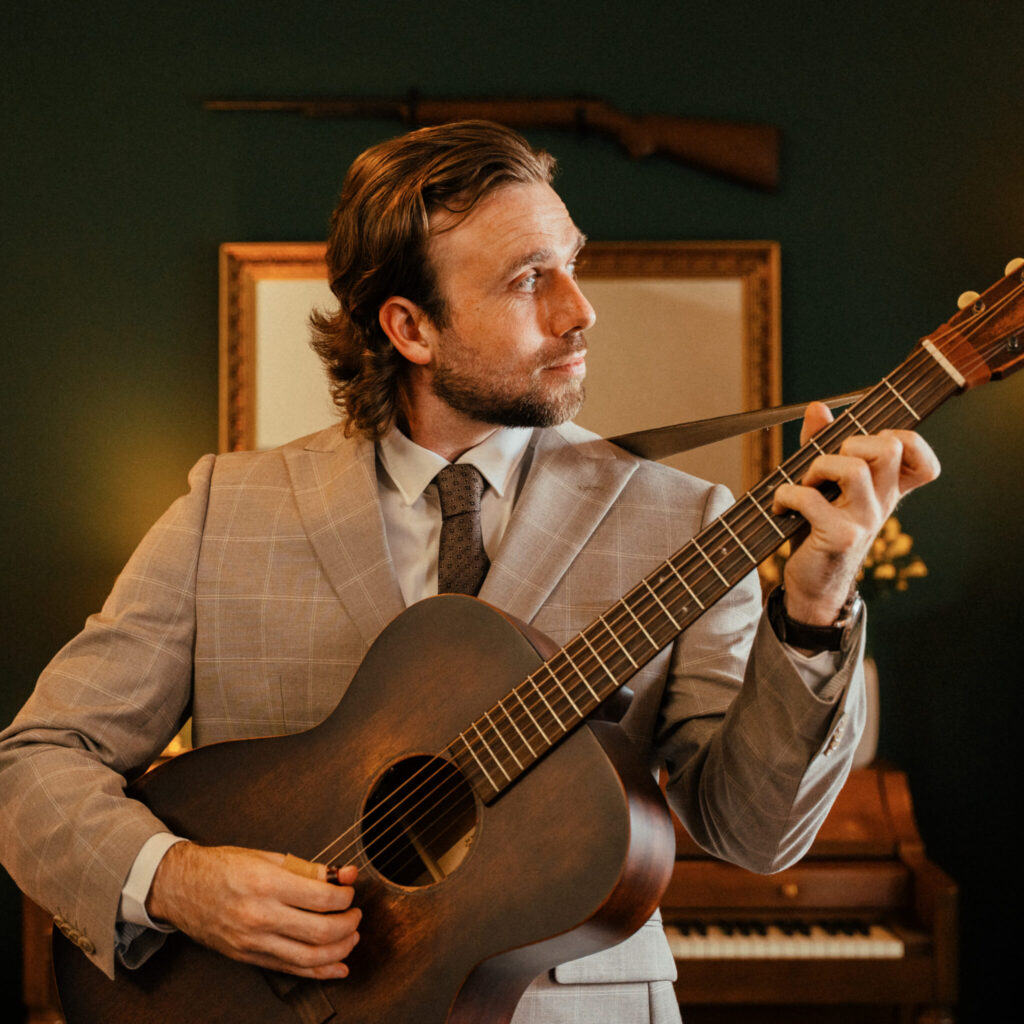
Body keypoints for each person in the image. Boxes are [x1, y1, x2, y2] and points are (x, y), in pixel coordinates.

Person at [0, 121, 939, 1024]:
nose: (579, 309)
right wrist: (178, 882)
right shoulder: (226, 509)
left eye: (572, 263)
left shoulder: (684, 520)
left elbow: (756, 834)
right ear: (410, 327)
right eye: (530, 279)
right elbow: (33, 764)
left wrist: (814, 608)